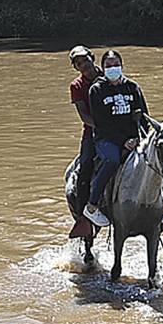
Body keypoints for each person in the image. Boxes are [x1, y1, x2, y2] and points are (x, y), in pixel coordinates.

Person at [84, 50, 148, 228]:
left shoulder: (133, 87)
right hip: (107, 139)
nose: (113, 68)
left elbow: (144, 117)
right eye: (109, 66)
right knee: (112, 160)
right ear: (103, 68)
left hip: (133, 137)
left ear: (122, 66)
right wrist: (123, 142)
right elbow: (101, 123)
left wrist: (138, 137)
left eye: (116, 65)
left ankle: (161, 206)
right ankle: (92, 205)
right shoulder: (96, 90)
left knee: (155, 159)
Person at [68, 45, 102, 213]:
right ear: (75, 67)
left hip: (119, 130)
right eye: (78, 63)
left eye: (85, 60)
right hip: (92, 132)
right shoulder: (76, 86)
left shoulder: (108, 75)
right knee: (86, 164)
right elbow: (84, 115)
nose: (83, 65)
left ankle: (162, 212)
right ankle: (83, 215)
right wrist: (103, 127)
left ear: (93, 58)